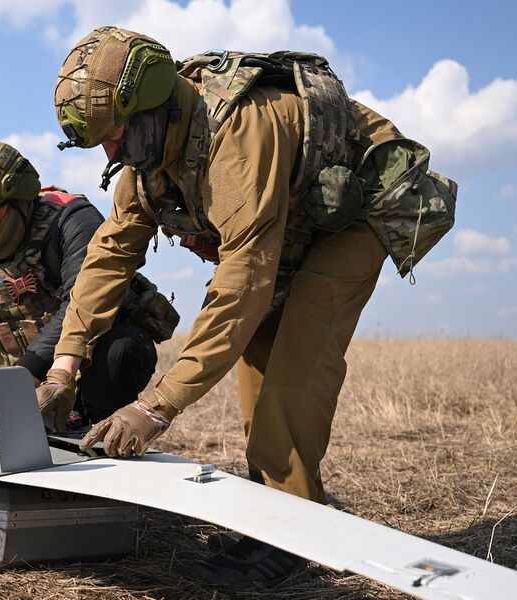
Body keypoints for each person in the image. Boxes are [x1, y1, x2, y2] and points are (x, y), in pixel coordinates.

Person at [41, 26, 455, 587]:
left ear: (149, 107)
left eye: (115, 138)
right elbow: (111, 253)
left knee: (299, 359)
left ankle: (291, 531)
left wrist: (157, 406)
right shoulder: (147, 152)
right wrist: (66, 364)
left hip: (358, 214)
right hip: (294, 216)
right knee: (256, 359)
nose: (113, 156)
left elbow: (241, 286)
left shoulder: (235, 134)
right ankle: (279, 508)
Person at [0, 137, 177, 432]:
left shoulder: (72, 221)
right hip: (25, 376)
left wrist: (21, 375)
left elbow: (83, 304)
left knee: (120, 349)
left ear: (21, 203)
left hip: (84, 369)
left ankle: (97, 426)